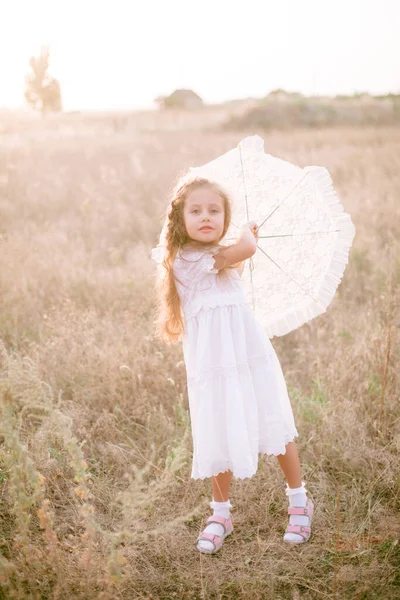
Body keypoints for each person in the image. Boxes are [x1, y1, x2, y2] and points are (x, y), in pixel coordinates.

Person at [151, 174, 314, 554]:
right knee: (219, 430)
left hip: (249, 357)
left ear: (223, 218)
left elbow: (237, 257)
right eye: (196, 210)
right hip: (213, 367)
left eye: (214, 211)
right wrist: (246, 233)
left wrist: (240, 240)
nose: (205, 216)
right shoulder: (184, 260)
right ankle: (221, 512)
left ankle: (299, 499)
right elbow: (245, 249)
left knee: (274, 422)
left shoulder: (220, 258)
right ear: (179, 218)